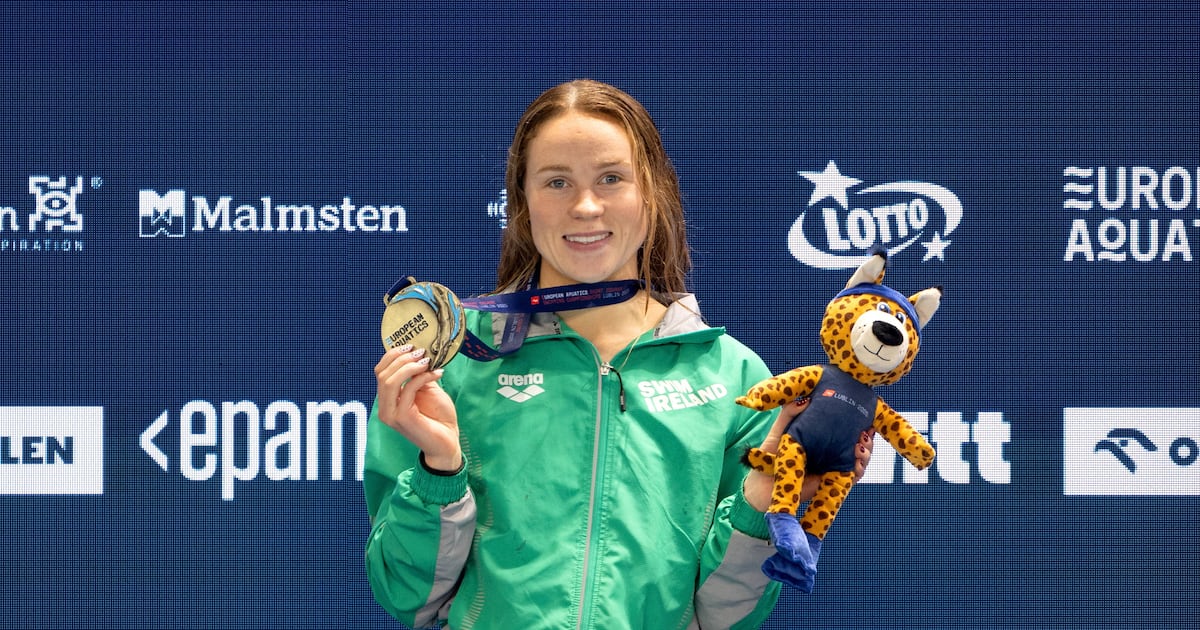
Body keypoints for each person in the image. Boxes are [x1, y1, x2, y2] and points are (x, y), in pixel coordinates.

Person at [363, 79, 874, 629]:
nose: (585, 206)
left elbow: (729, 617)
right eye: (556, 182)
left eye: (611, 178)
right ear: (522, 202)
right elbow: (409, 599)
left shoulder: (734, 377)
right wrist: (440, 470)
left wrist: (759, 505)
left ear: (650, 193)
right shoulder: (456, 366)